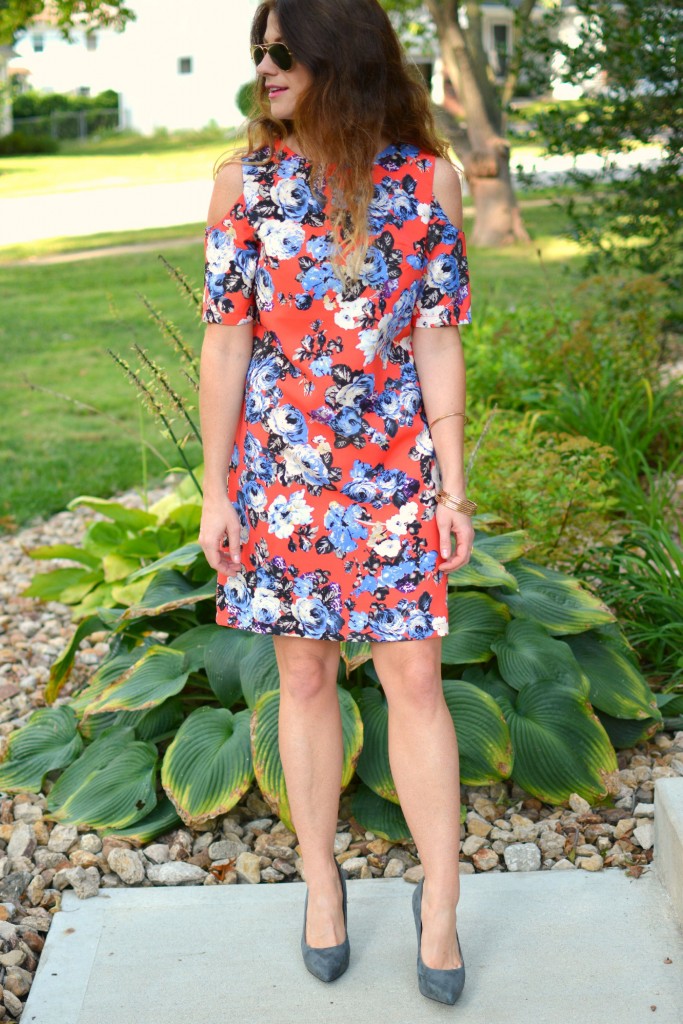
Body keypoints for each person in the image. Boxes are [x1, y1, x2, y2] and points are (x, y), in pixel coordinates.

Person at [198, 0, 474, 1006]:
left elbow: (436, 335)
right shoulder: (245, 185)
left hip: (396, 472)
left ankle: (436, 906)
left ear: (337, 57)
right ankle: (323, 884)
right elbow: (227, 340)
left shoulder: (422, 181)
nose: (264, 68)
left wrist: (453, 480)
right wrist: (213, 488)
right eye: (257, 52)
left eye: (283, 52)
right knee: (304, 680)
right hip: (281, 477)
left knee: (412, 678)